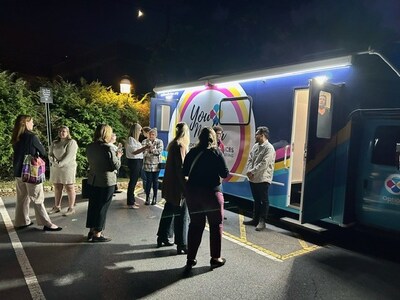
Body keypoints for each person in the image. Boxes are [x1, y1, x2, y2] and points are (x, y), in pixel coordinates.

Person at [182, 127, 229, 270]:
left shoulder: (192, 152)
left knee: (195, 225)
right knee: (216, 225)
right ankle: (215, 258)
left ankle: (191, 258)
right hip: (211, 194)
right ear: (213, 138)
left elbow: (184, 171)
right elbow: (225, 173)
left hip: (193, 194)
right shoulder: (216, 152)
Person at [11, 114, 62, 231]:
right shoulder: (32, 137)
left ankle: (21, 221)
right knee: (37, 198)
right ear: (26, 123)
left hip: (19, 171)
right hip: (31, 171)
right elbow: (43, 151)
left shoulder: (16, 137)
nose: (33, 124)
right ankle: (47, 223)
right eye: (32, 122)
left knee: (22, 198)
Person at [157, 122, 190, 254]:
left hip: (169, 183)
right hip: (178, 186)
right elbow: (181, 168)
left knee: (168, 210)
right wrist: (186, 187)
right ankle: (182, 244)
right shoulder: (181, 146)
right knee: (182, 214)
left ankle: (162, 236)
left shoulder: (172, 144)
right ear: (185, 133)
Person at [86, 124, 122, 242]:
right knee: (103, 207)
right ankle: (98, 233)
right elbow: (115, 166)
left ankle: (91, 230)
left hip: (93, 179)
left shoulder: (90, 147)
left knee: (93, 206)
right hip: (106, 181)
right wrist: (119, 156)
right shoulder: (108, 148)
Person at [243, 126, 276, 231]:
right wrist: (249, 171)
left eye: (257, 134)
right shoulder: (255, 146)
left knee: (263, 201)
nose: (255, 136)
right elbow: (250, 159)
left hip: (263, 179)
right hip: (253, 178)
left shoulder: (269, 148)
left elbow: (264, 164)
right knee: (256, 200)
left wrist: (252, 171)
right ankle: (255, 219)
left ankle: (262, 221)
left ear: (262, 135)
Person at [48, 125, 79, 216]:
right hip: (56, 168)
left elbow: (69, 156)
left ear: (67, 132)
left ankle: (71, 208)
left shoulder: (71, 142)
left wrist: (60, 163)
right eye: (60, 131)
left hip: (67, 168)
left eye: (64, 131)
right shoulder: (54, 143)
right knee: (57, 186)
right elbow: (50, 154)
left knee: (69, 187)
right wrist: (53, 161)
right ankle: (57, 206)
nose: (62, 133)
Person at [125, 124, 148, 209]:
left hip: (138, 161)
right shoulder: (131, 139)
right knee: (133, 181)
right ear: (135, 130)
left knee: (134, 181)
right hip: (134, 161)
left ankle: (132, 200)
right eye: (139, 130)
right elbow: (134, 152)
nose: (140, 132)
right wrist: (144, 148)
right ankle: (130, 202)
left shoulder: (136, 140)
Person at [142, 128, 164, 205]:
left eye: (153, 134)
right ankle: (147, 197)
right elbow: (144, 153)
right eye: (150, 134)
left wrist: (151, 150)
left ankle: (154, 198)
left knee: (155, 181)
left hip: (156, 165)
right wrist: (151, 151)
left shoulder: (159, 142)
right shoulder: (145, 141)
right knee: (148, 181)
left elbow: (159, 151)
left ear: (156, 135)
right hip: (147, 165)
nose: (151, 136)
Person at [139, 126, 151, 193]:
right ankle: (146, 190)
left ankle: (146, 190)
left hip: (145, 160)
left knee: (144, 176)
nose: (142, 134)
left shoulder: (145, 141)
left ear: (146, 132)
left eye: (143, 132)